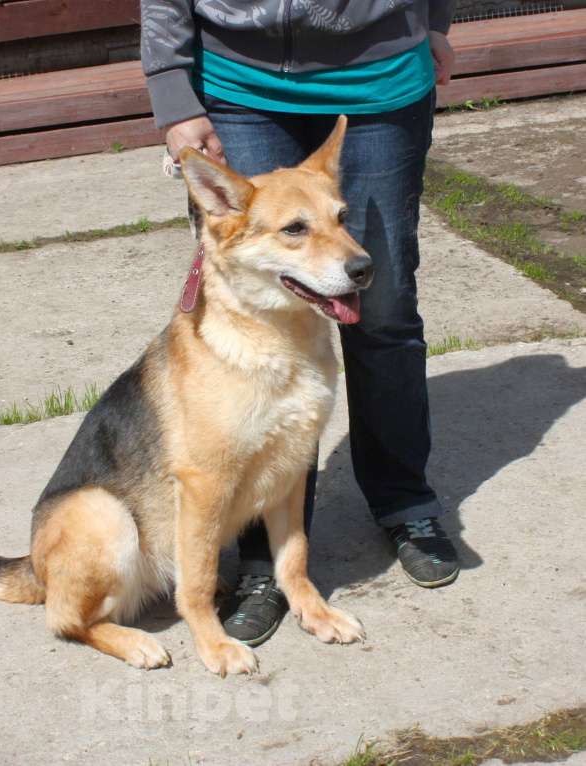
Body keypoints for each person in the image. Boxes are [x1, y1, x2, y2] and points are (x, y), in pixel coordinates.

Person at [141, 0, 461, 647]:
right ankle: (265, 562)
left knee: (383, 303)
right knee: (260, 325)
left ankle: (402, 499)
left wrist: (434, 24)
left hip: (380, 73)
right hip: (238, 76)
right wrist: (173, 95)